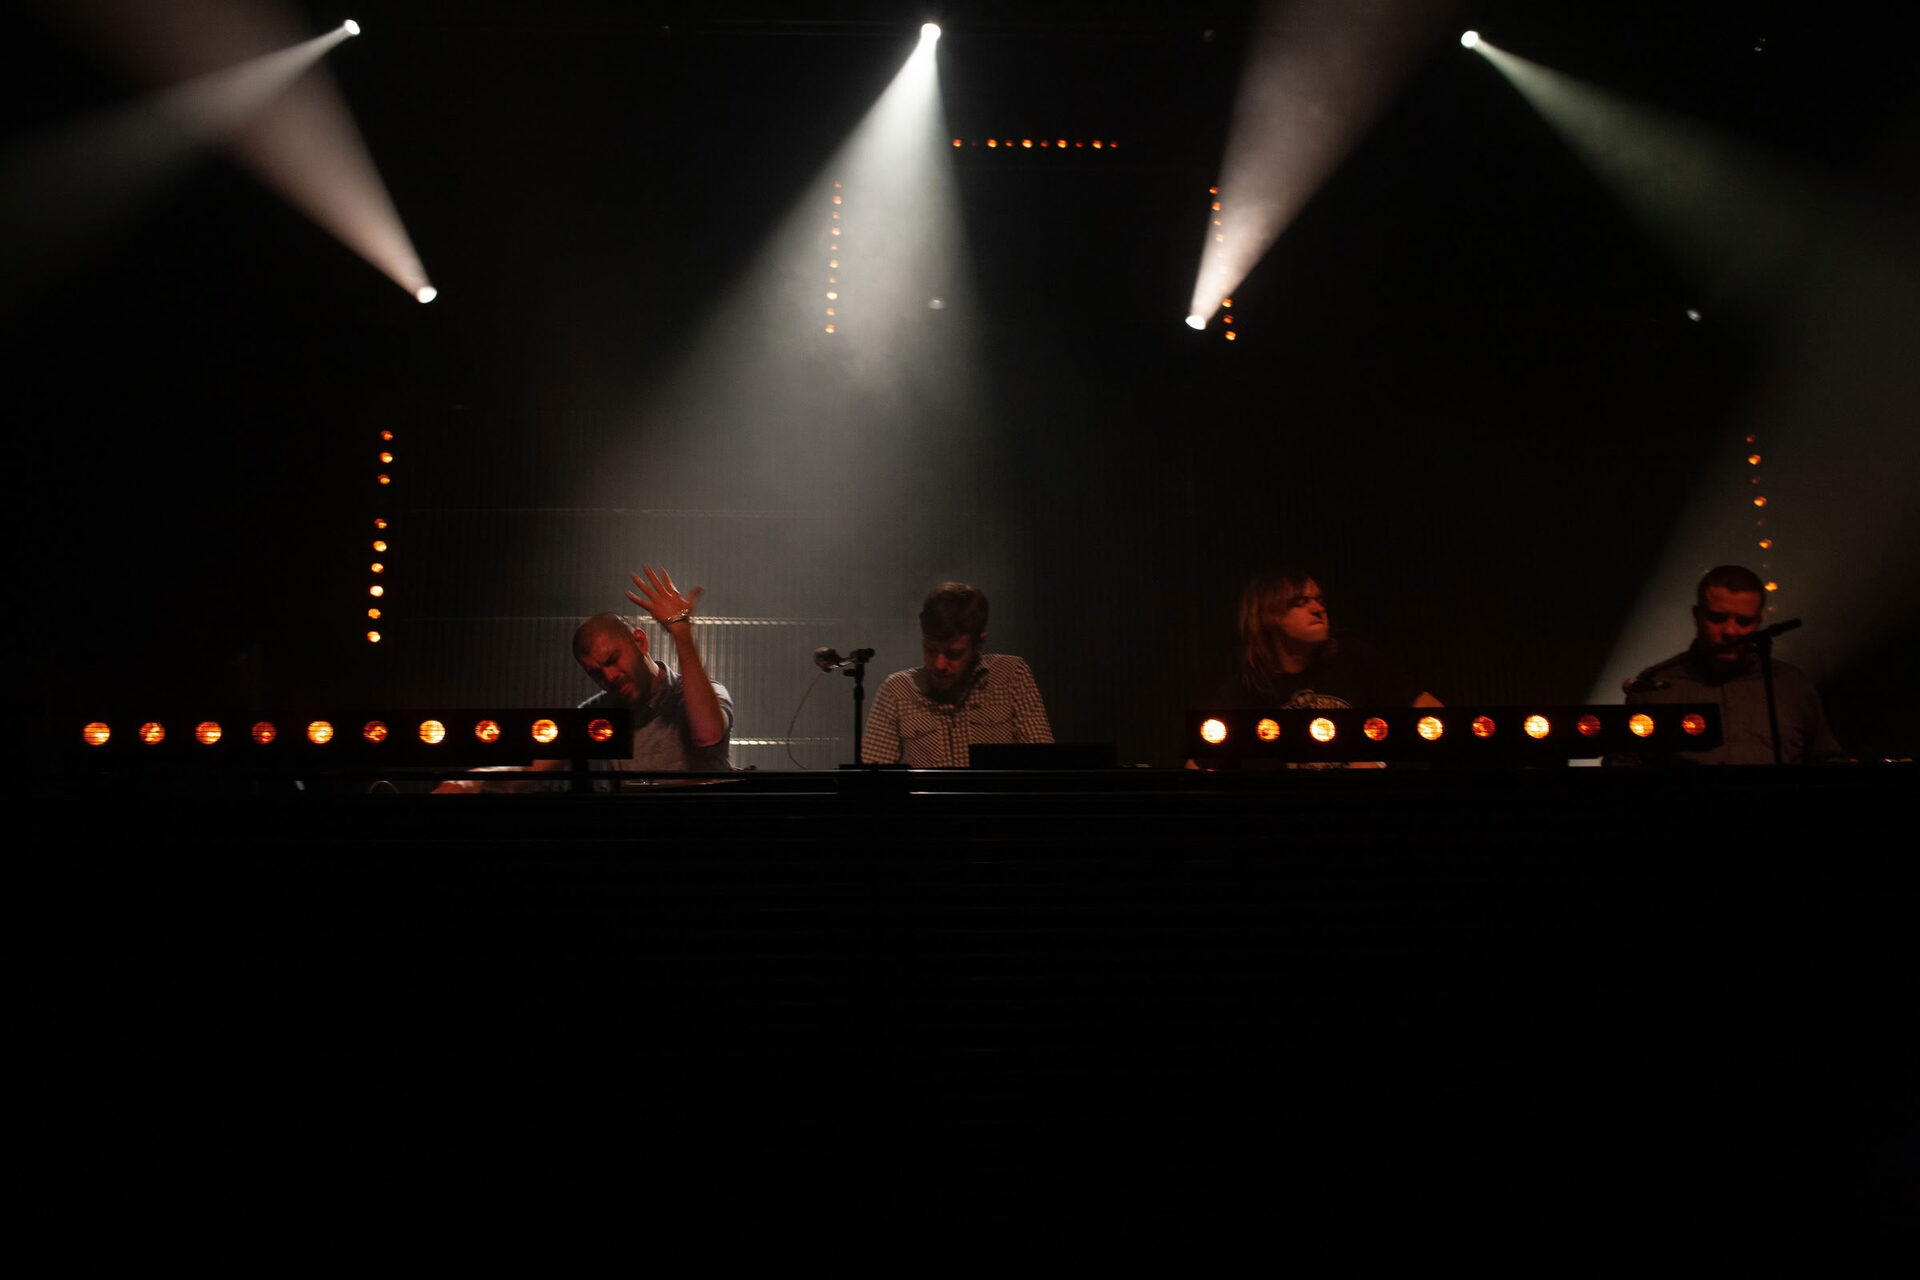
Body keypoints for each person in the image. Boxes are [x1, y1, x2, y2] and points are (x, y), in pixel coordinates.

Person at [435, 564, 732, 790]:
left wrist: (680, 632)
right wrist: (469, 781)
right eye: (596, 673)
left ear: (640, 642)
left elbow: (706, 734)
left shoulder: (698, 694)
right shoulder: (597, 714)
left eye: (613, 660)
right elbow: (528, 769)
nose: (610, 676)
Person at [1623, 564, 1842, 764]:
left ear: (1759, 621)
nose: (1730, 631)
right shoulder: (1655, 687)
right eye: (1718, 618)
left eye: (1744, 621)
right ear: (1697, 616)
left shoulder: (1792, 686)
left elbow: (1827, 759)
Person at [860, 582, 1052, 767]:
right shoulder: (897, 690)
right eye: (931, 650)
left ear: (979, 643)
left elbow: (1043, 767)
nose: (939, 664)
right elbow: (872, 780)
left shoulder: (1011, 675)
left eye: (954, 654)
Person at [1212, 569, 1442, 711]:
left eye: (1319, 599)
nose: (1318, 608)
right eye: (1301, 602)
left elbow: (1431, 713)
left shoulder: (1354, 658)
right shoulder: (1250, 684)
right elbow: (1203, 762)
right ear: (1269, 616)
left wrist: (1379, 762)